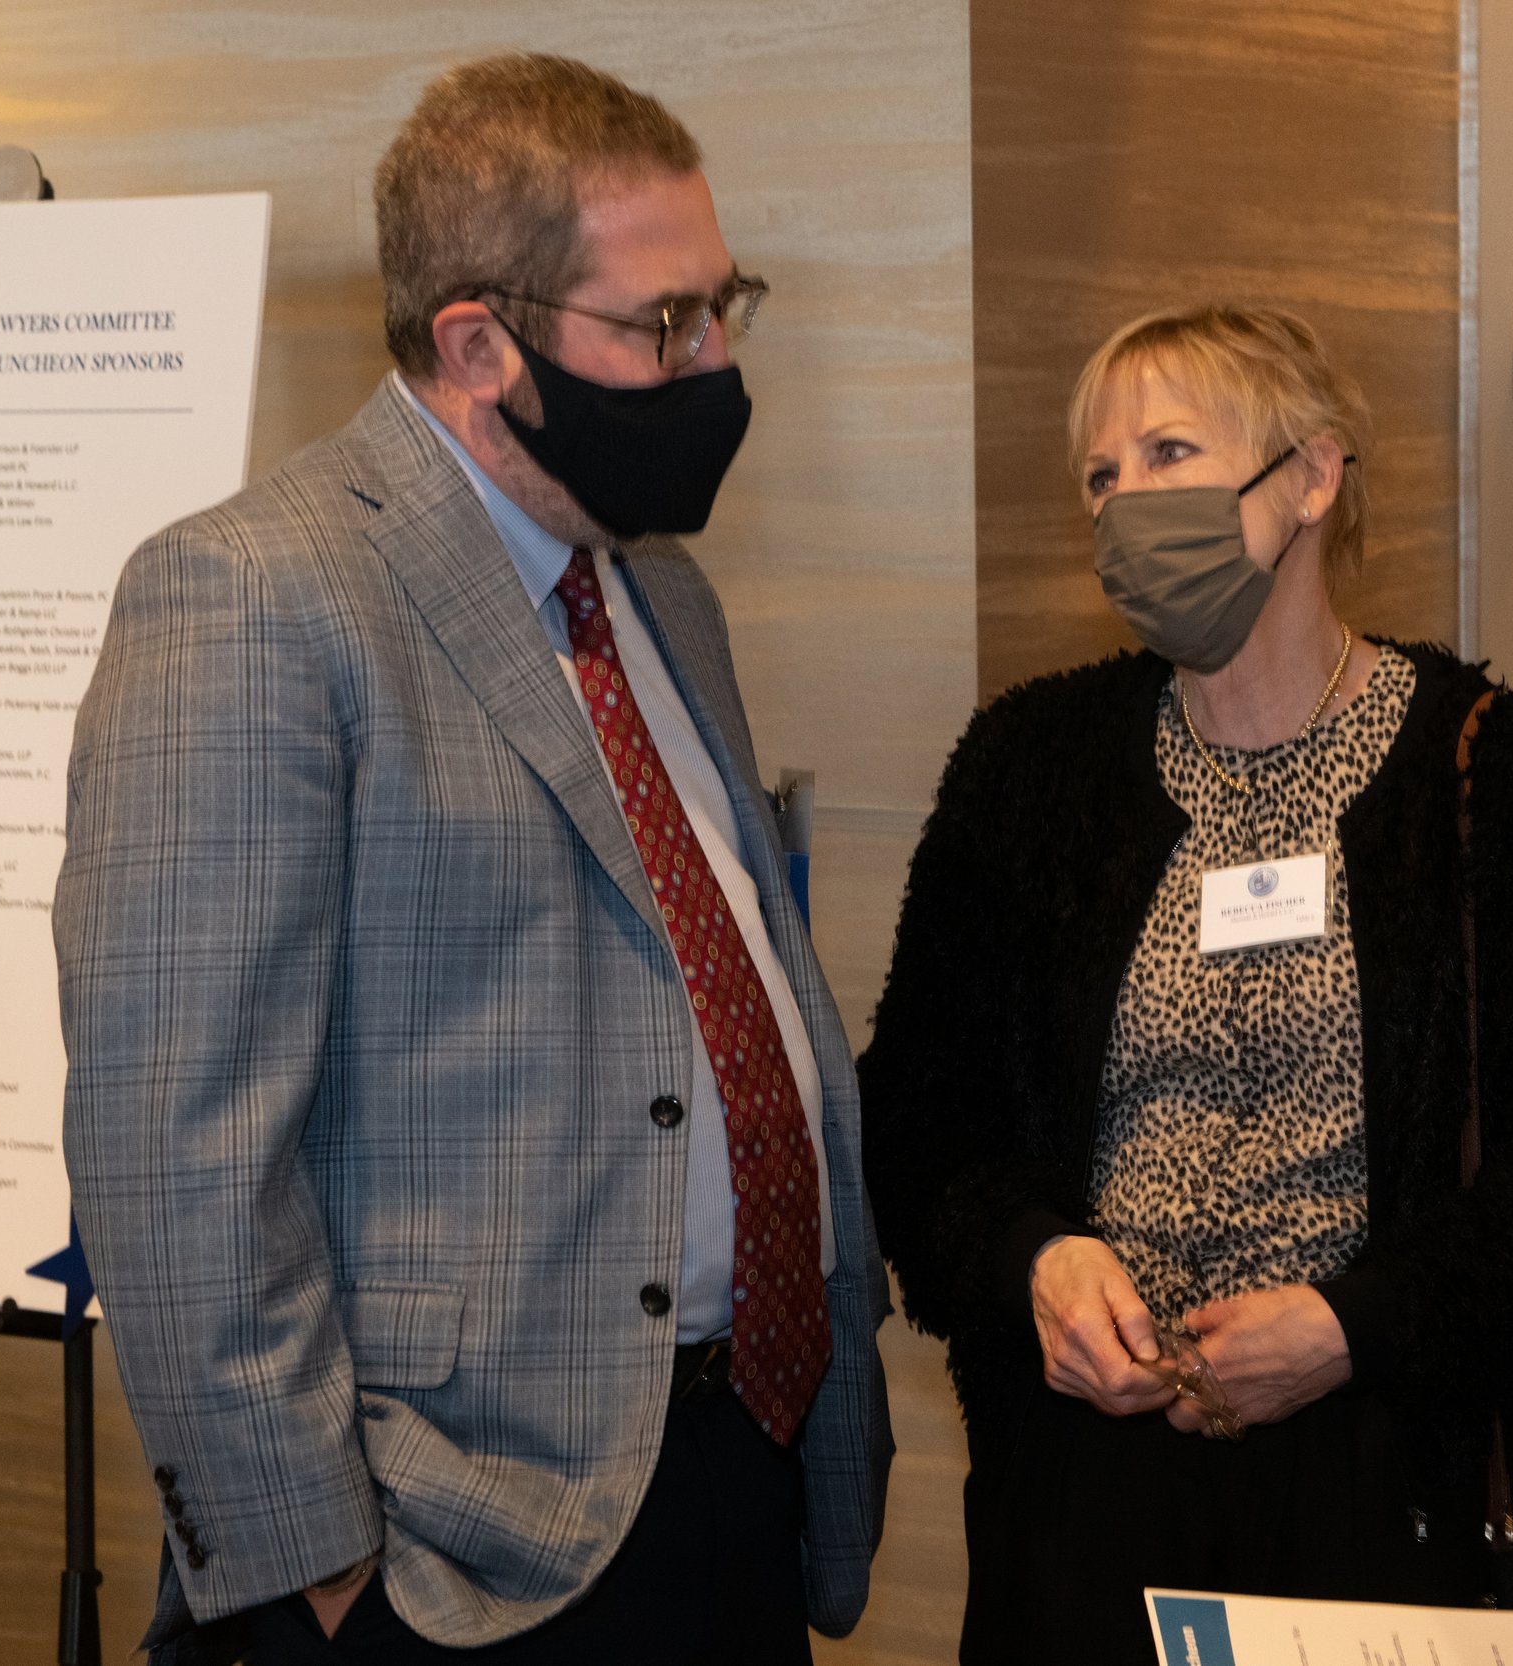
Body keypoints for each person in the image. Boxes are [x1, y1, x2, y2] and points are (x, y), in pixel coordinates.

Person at [57, 55, 890, 1666]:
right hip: (438, 1565)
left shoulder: (659, 599)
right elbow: (177, 1151)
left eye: (727, 306)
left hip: (723, 1483)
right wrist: (320, 1579)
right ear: (475, 343)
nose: (714, 363)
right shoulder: (250, 600)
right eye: (664, 324)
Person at [859, 303, 1513, 1663]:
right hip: (1084, 1503)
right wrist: (1038, 1263)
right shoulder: (1028, 773)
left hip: (1373, 1495)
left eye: (1169, 450)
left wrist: (1357, 1325)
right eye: (1101, 477)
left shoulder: (1499, 776)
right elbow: (920, 1124)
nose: (1126, 503)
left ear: (1313, 474)